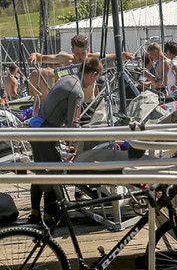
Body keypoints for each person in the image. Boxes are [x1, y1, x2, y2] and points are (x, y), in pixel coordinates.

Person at [26, 57, 96, 223]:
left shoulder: (67, 79)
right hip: (45, 132)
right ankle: (50, 217)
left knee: (40, 172)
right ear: (92, 74)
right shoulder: (77, 90)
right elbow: (74, 124)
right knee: (55, 173)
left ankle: (35, 214)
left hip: (36, 126)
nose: (94, 82)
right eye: (96, 79)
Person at [29, 34, 131, 71]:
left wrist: (126, 55)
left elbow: (115, 56)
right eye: (77, 53)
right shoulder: (65, 58)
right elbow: (40, 57)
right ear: (72, 50)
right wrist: (33, 56)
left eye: (83, 53)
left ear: (88, 50)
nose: (80, 56)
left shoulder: (93, 58)